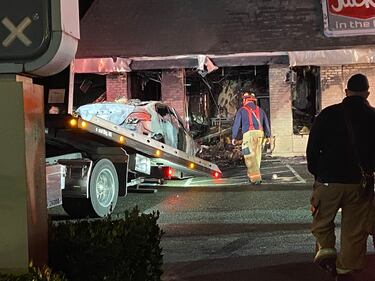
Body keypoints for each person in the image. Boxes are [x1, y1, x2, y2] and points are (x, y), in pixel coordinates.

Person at [306, 73, 375, 281]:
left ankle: (326, 249)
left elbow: (312, 150)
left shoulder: (327, 114)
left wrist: (319, 174)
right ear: (367, 93)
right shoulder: (373, 117)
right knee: (355, 229)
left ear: (346, 92)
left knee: (322, 220)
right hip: (359, 183)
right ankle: (346, 269)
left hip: (328, 180)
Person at [231, 92, 271, 184]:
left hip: (248, 135)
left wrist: (234, 137)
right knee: (257, 156)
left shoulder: (242, 110)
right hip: (260, 135)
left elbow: (236, 124)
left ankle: (256, 178)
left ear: (245, 100)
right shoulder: (260, 110)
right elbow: (266, 124)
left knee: (248, 156)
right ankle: (252, 175)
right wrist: (268, 136)